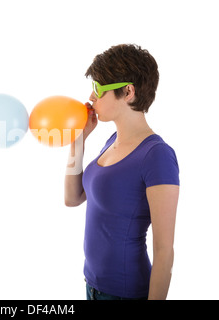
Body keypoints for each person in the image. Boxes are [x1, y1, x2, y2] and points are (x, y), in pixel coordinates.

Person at [65, 44, 180, 300]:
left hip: (126, 293)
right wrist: (78, 142)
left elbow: (164, 251)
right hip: (92, 287)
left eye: (97, 88)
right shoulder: (111, 141)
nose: (91, 97)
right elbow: (72, 198)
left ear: (128, 92)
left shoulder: (157, 155)